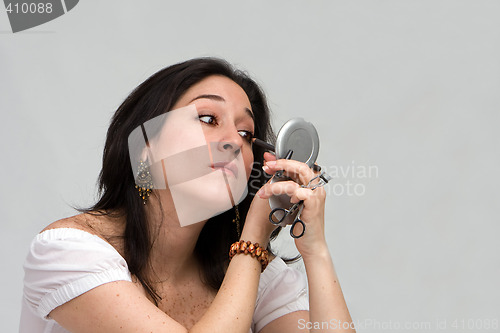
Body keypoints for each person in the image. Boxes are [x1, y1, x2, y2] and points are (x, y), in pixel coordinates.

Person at [20, 58, 355, 332]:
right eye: (208, 118)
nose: (234, 141)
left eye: (246, 132)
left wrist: (316, 250)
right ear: (145, 149)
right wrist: (252, 241)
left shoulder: (254, 274)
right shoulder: (67, 253)